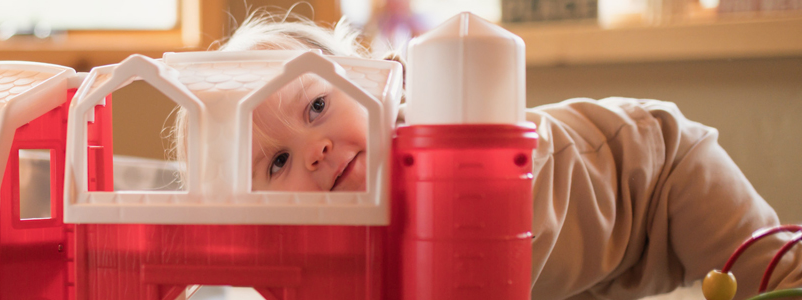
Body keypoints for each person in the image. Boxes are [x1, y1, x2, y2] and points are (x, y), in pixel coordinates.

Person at [167, 12, 802, 299]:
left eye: (316, 108)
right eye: (276, 164)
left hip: (657, 175)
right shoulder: (322, 244)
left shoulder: (432, 140)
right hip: (586, 273)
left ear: (376, 80)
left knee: (772, 276)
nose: (317, 149)